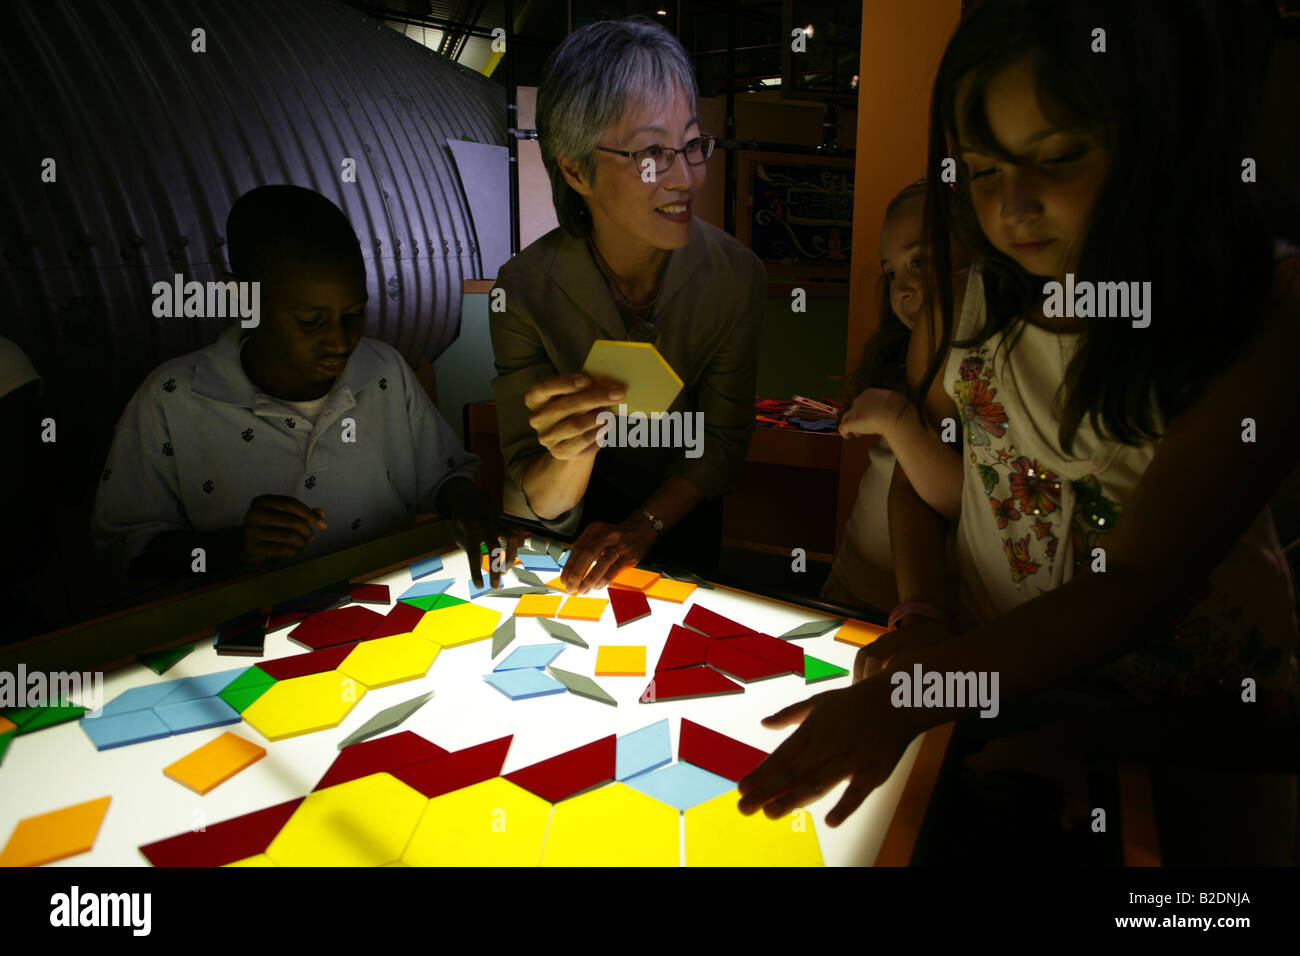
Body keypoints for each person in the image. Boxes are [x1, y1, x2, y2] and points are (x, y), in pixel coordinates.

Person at [739, 0, 1299, 865]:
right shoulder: (969, 297)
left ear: (1164, 138)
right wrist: (923, 618)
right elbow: (921, 490)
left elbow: (1142, 580)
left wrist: (922, 689)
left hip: (1188, 732)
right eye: (984, 171)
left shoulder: (1263, 311)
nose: (1014, 208)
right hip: (997, 705)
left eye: (1059, 158)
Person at [93, 185, 509, 588]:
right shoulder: (173, 400)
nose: (341, 341)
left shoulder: (383, 370)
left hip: (386, 616)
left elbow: (442, 476)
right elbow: (125, 553)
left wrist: (466, 502)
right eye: (310, 322)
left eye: (355, 313)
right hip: (245, 631)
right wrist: (231, 547)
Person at [489, 16, 766, 594]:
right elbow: (530, 493)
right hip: (567, 554)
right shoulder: (523, 290)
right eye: (650, 154)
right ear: (573, 167)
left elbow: (721, 441)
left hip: (682, 521)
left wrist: (645, 526)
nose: (686, 178)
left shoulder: (734, 277)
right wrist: (570, 449)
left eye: (692, 145)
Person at [824, 181, 965, 612]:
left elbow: (972, 504)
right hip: (853, 585)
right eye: (891, 273)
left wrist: (894, 418)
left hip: (920, 616)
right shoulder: (903, 361)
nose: (902, 288)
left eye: (919, 261)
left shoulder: (976, 375)